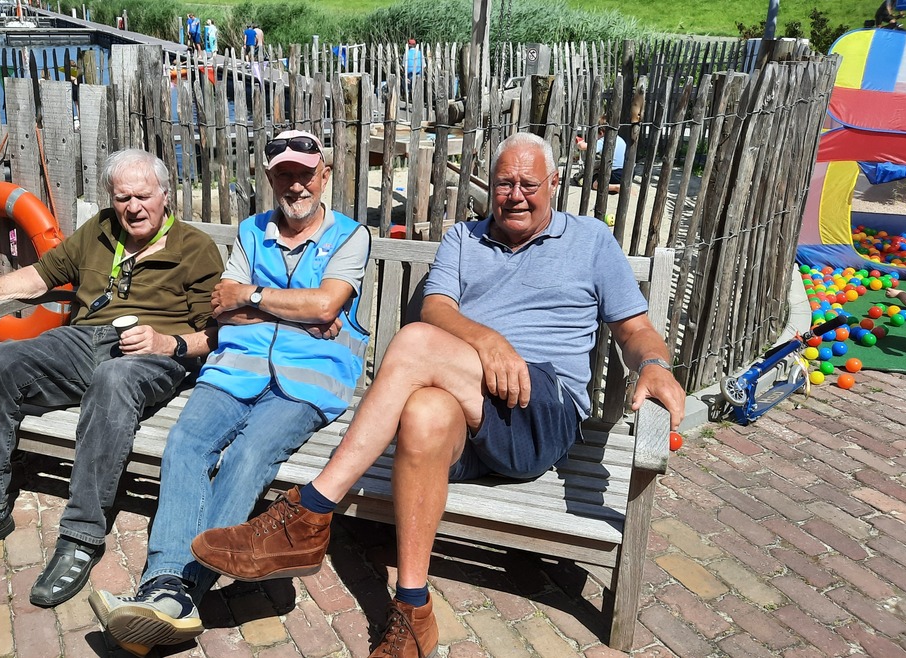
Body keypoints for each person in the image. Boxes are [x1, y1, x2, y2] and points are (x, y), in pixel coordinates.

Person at [190, 132, 686, 658]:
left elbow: (634, 329)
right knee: (424, 413)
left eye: (529, 184)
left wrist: (655, 365)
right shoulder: (464, 239)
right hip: (470, 407)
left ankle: (310, 511)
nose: (515, 195)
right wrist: (487, 342)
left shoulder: (590, 240)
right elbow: (437, 307)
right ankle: (412, 608)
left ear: (555, 184)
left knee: (413, 342)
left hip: (541, 408)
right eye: (504, 184)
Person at [88, 130, 372, 656]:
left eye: (305, 174)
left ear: (325, 175)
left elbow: (326, 307)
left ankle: (179, 591)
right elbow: (223, 308)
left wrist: (256, 296)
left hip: (309, 380)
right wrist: (297, 310)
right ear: (270, 179)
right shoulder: (250, 230)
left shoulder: (351, 236)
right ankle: (167, 587)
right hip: (234, 367)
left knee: (248, 455)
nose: (295, 185)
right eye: (284, 175)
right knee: (185, 444)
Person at [0, 150, 225, 609]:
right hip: (83, 340)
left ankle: (81, 535)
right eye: (123, 197)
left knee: (113, 380)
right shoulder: (100, 230)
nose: (133, 207)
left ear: (165, 195)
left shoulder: (194, 248)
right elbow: (39, 276)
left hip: (151, 353)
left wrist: (168, 343)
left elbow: (216, 333)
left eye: (143, 196)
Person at [576, 114, 627, 194]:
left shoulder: (604, 140)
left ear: (601, 132)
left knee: (596, 185)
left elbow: (583, 147)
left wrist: (579, 142)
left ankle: (616, 187)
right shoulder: (621, 140)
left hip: (615, 173)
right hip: (626, 172)